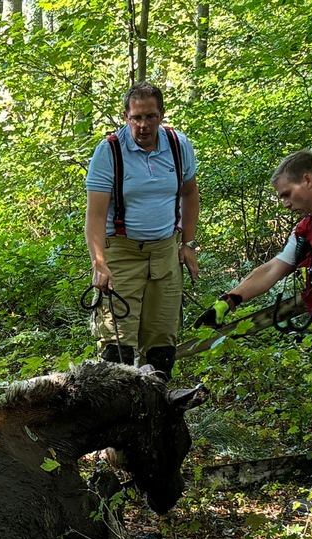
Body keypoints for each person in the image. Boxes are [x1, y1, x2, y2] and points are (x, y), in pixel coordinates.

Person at [197, 149, 312, 513]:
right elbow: (275, 267)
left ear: (309, 180)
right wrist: (230, 300)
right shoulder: (309, 229)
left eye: (287, 194)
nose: (285, 204)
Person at [84, 81, 200, 380]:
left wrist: (188, 243)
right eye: (136, 117)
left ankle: (158, 413)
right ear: (125, 116)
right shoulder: (109, 151)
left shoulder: (177, 145)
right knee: (117, 346)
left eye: (150, 116)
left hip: (164, 252)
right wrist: (99, 263)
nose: (143, 125)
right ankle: (116, 417)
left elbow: (190, 195)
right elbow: (95, 216)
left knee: (162, 342)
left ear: (161, 115)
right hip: (120, 253)